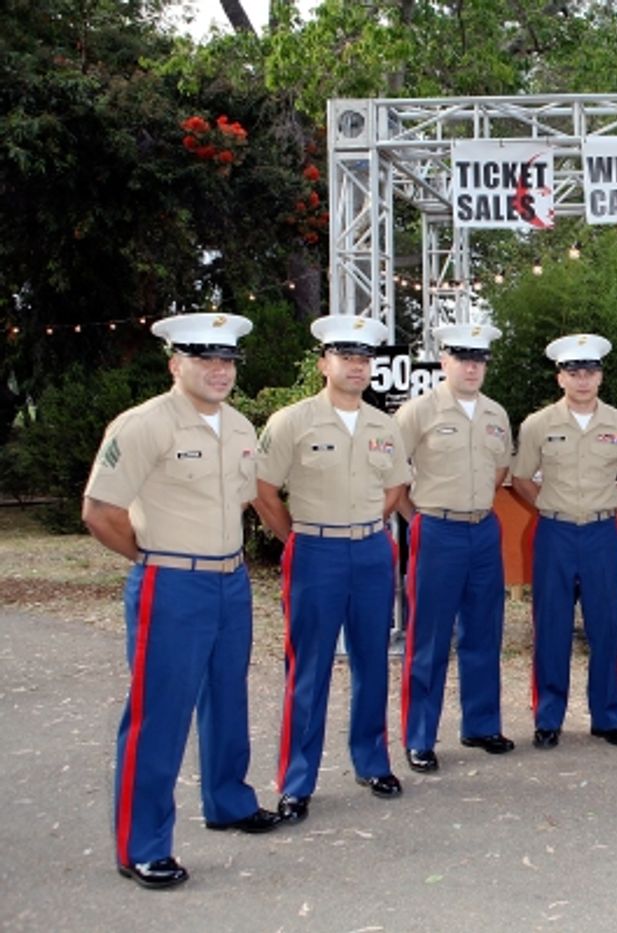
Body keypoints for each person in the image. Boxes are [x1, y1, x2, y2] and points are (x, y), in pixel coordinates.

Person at [83, 313, 280, 889]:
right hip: (172, 584)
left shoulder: (240, 427)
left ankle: (228, 801)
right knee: (160, 714)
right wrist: (156, 559)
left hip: (230, 581)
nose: (219, 370)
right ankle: (142, 845)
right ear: (175, 364)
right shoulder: (144, 425)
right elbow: (100, 512)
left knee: (227, 697)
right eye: (204, 359)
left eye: (227, 360)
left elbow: (240, 500)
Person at [253, 315, 411, 824]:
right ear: (324, 363)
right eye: (346, 357)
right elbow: (262, 490)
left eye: (364, 359)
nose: (357, 366)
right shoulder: (292, 421)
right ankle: (297, 781)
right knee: (309, 667)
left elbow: (396, 486)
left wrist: (364, 524)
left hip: (370, 551)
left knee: (372, 661)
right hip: (315, 553)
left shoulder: (384, 425)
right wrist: (299, 537)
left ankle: (373, 761)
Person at [512, 334, 617, 749]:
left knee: (605, 627)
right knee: (551, 626)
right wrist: (548, 506)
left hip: (601, 534)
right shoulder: (537, 425)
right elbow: (521, 477)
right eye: (574, 372)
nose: (583, 379)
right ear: (560, 378)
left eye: (590, 371)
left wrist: (610, 505)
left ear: (601, 376)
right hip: (554, 533)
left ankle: (607, 717)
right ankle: (548, 718)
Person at [393, 322, 514, 773]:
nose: (471, 368)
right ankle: (420, 737)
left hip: (482, 529)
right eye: (462, 359)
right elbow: (391, 472)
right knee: (429, 636)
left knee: (484, 630)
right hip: (437, 530)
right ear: (444, 361)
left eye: (479, 360)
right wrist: (417, 518)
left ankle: (480, 725)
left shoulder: (496, 414)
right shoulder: (418, 411)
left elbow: (499, 469)